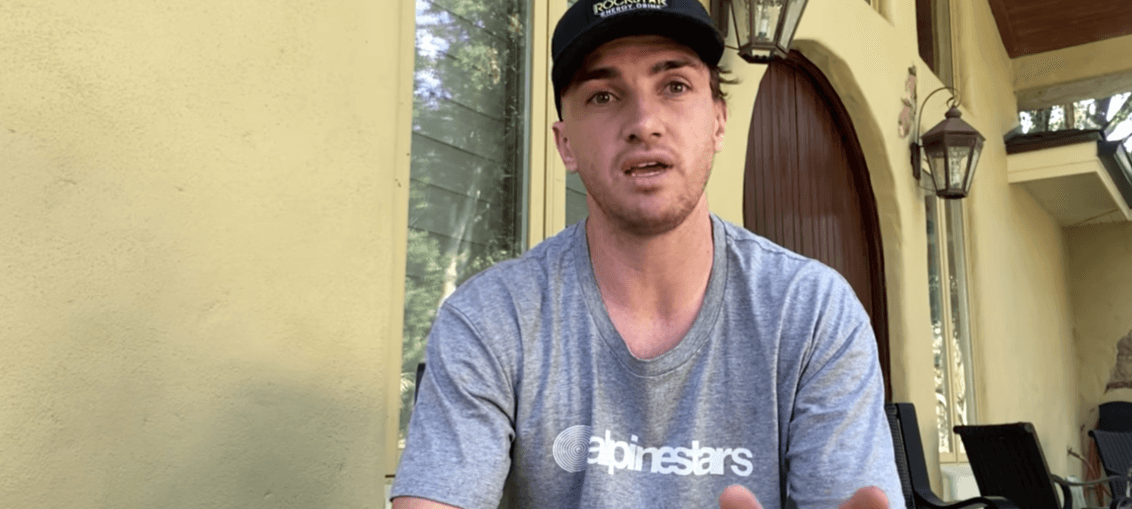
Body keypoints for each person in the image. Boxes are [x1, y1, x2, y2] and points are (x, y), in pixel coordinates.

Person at [390, 0, 903, 507]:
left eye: (674, 86)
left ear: (718, 121)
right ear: (565, 144)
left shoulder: (812, 313)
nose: (644, 122)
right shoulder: (491, 319)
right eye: (603, 96)